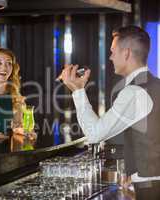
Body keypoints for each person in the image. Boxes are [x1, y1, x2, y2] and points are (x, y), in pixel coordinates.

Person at [59, 25, 160, 199]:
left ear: (126, 53)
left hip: (150, 188)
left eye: (113, 51)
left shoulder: (133, 92)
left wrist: (77, 90)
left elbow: (94, 134)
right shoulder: (155, 84)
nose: (110, 57)